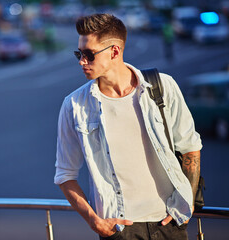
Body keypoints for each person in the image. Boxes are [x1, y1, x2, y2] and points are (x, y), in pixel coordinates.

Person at [54, 14, 202, 240]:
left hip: (169, 224)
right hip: (119, 230)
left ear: (114, 51)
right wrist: (96, 222)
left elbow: (190, 146)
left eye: (89, 54)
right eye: (79, 54)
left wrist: (187, 205)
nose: (81, 61)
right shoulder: (74, 106)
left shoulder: (162, 87)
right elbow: (65, 174)